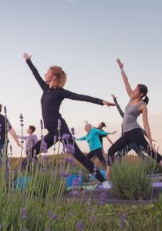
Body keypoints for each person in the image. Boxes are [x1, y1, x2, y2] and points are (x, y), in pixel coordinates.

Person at [22, 53, 114, 187]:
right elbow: (35, 73)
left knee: (80, 157)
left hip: (61, 130)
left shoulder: (60, 92)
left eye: (47, 72)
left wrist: (101, 102)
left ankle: (104, 181)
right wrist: (28, 61)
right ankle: (41, 178)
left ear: (53, 76)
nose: (44, 74)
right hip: (52, 132)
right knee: (31, 153)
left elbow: (81, 97)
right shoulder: (45, 88)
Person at [106, 59, 162, 181]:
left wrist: (151, 143)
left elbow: (146, 124)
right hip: (126, 134)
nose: (134, 91)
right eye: (135, 89)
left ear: (141, 94)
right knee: (111, 151)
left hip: (135, 132)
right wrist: (121, 69)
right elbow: (126, 81)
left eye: (136, 90)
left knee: (152, 154)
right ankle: (108, 179)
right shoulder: (131, 97)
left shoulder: (142, 105)